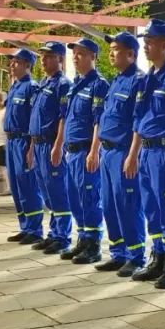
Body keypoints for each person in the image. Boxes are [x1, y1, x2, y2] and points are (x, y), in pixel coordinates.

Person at [127, 19, 165, 289]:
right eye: (145, 42)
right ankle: (158, 257)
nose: (146, 46)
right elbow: (138, 120)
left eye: (150, 41)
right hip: (147, 152)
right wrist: (133, 154)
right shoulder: (145, 79)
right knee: (151, 206)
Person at [95, 32, 146, 276]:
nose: (111, 53)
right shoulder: (115, 81)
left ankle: (135, 256)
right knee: (109, 204)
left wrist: (133, 154)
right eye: (111, 49)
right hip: (108, 151)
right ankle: (118, 253)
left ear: (131, 54)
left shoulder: (138, 81)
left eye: (116, 49)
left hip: (124, 152)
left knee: (127, 204)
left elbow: (139, 121)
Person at [59, 38, 110, 265]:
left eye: (80, 53)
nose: (75, 58)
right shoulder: (75, 85)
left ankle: (93, 244)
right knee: (75, 198)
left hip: (86, 150)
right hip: (72, 152)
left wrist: (94, 151)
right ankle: (82, 237)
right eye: (74, 54)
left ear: (93, 56)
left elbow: (99, 121)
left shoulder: (99, 84)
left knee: (89, 198)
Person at [27, 41, 73, 255]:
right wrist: (31, 147)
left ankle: (62, 236)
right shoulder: (43, 84)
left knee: (58, 191)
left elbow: (63, 118)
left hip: (51, 144)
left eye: (48, 56)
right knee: (47, 192)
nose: (43, 60)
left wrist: (58, 145)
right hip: (38, 144)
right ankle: (54, 233)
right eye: (42, 56)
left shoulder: (63, 84)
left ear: (60, 59)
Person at [4, 49, 45, 245]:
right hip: (11, 142)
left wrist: (31, 148)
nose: (12, 65)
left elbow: (33, 120)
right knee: (15, 186)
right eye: (12, 62)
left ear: (28, 65)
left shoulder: (32, 88)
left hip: (23, 141)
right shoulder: (14, 87)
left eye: (17, 62)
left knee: (28, 185)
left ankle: (35, 229)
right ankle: (25, 226)